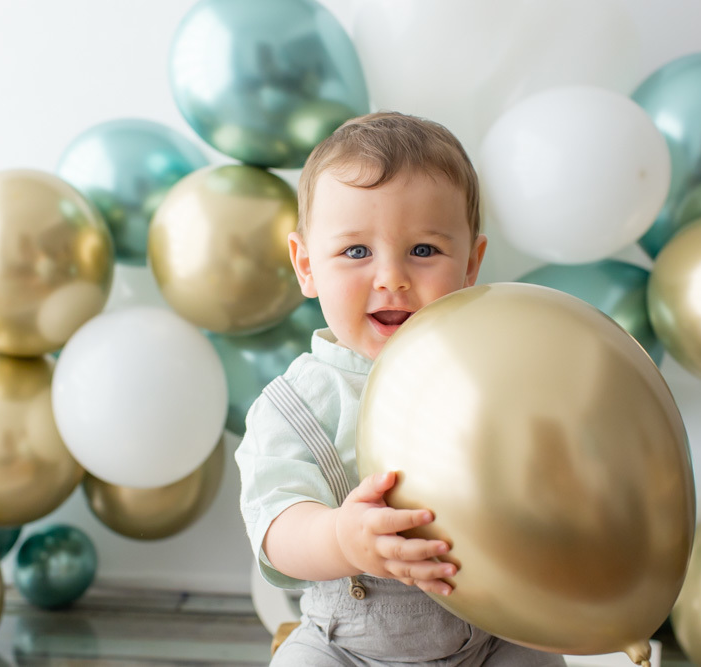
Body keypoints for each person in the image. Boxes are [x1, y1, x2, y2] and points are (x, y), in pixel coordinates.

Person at [236, 111, 566, 666]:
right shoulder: (296, 405)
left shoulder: (490, 379)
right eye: (357, 252)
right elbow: (276, 527)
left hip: (484, 638)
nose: (391, 277)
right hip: (345, 646)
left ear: (470, 265)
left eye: (423, 250)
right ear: (306, 264)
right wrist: (342, 538)